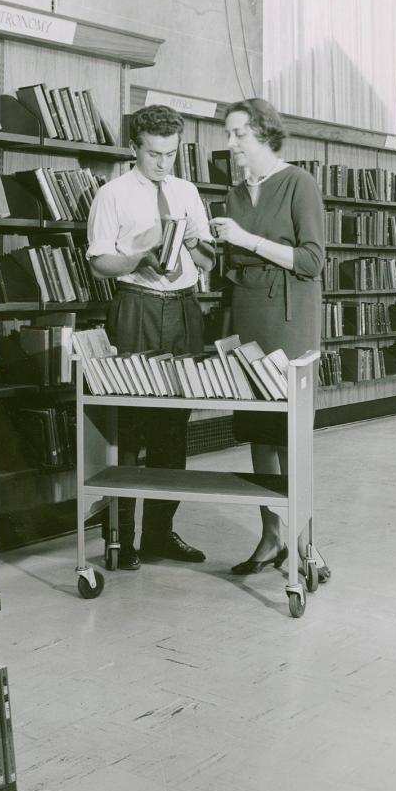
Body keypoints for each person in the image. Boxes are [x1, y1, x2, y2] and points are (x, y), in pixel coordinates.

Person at [87, 104, 216, 571]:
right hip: (137, 306)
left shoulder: (186, 190)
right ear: (134, 148)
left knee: (174, 426)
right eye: (154, 154)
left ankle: (160, 533)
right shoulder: (112, 194)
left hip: (183, 310)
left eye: (171, 154)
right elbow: (100, 261)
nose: (164, 164)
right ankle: (120, 540)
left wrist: (191, 245)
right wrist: (138, 254)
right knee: (130, 426)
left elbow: (207, 262)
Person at [209, 98, 329, 578]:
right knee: (257, 429)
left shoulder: (298, 183)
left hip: (289, 321)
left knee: (290, 436)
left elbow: (311, 261)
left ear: (264, 134)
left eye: (238, 133)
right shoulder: (236, 194)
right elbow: (237, 261)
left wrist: (243, 240)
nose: (231, 143)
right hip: (248, 317)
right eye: (229, 134)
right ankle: (271, 538)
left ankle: (307, 547)